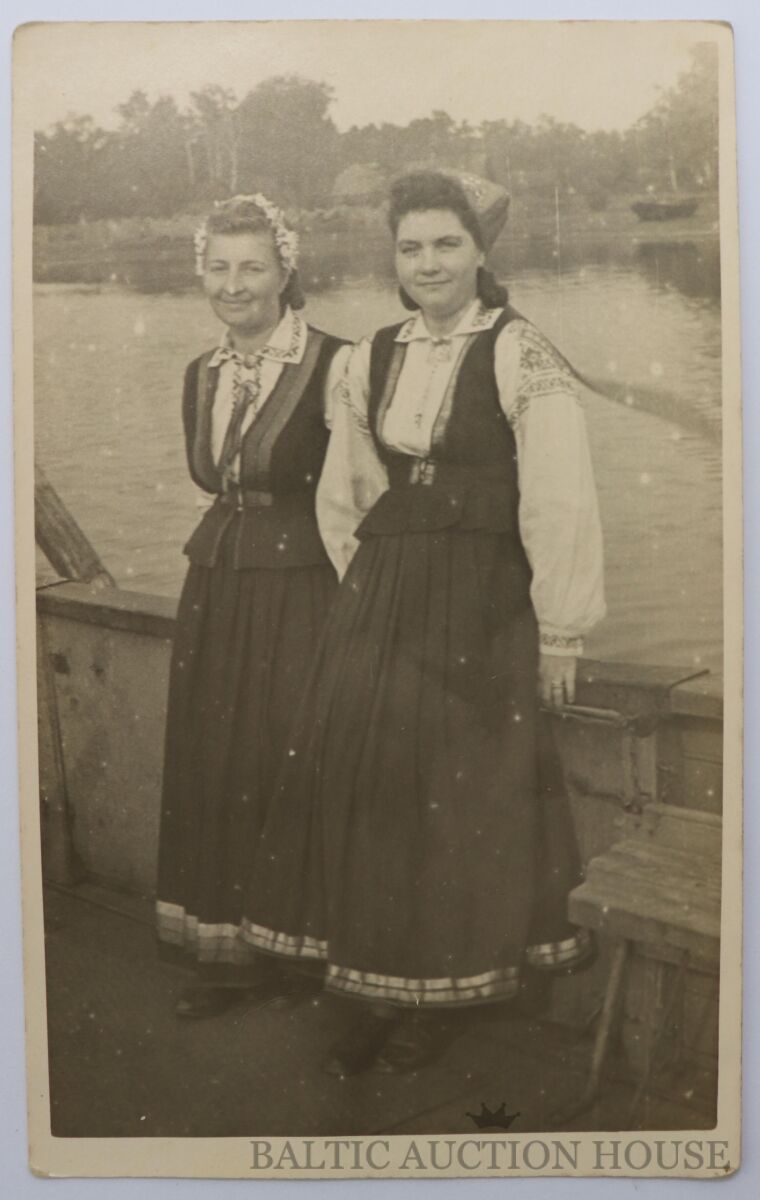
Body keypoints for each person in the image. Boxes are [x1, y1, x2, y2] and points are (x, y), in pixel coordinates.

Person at [240, 170, 606, 1073]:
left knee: (459, 796)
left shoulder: (520, 351)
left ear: (481, 251)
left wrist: (560, 629)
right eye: (411, 248)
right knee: (373, 789)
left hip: (482, 603)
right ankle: (376, 982)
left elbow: (559, 496)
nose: (428, 263)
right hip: (388, 595)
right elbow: (348, 492)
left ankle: (446, 990)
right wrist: (367, 593)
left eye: (447, 244)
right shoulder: (371, 356)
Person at [155, 194, 350, 1018]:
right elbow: (213, 478)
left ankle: (305, 952)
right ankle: (229, 955)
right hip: (219, 583)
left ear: (285, 273)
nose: (233, 285)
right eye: (218, 268)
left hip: (303, 585)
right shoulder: (200, 373)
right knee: (217, 758)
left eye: (252, 268)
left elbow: (359, 495)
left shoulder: (338, 364)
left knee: (292, 755)